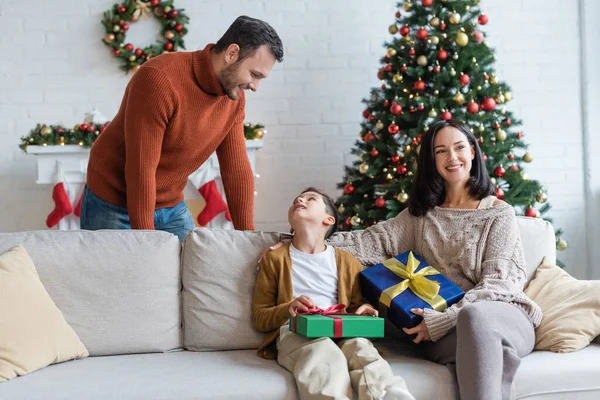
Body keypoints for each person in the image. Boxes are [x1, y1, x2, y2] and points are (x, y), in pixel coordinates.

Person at [323, 119, 542, 400]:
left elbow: (499, 285)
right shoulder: (421, 216)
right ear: (432, 159)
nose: (452, 157)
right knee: (483, 349)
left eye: (460, 147)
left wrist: (443, 320)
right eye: (441, 151)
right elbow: (367, 242)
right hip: (449, 330)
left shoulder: (498, 214)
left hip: (505, 317)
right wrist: (306, 243)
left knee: (474, 316)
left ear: (473, 152)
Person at [80, 16, 283, 241]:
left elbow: (236, 168)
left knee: (188, 273)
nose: (255, 86)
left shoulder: (233, 97)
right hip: (115, 201)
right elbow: (141, 169)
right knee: (124, 274)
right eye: (254, 75)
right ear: (231, 53)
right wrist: (146, 241)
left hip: (171, 204)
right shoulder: (159, 80)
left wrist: (248, 240)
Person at [253, 187, 414, 400]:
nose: (300, 199)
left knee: (361, 349)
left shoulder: (347, 261)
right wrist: (288, 308)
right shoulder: (275, 259)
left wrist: (365, 310)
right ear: (291, 227)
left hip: (342, 329)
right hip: (296, 332)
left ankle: (388, 394)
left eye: (311, 199)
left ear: (328, 220)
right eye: (297, 199)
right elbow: (259, 317)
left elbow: (356, 306)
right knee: (322, 354)